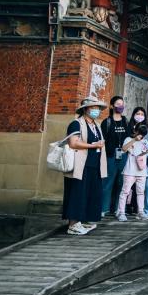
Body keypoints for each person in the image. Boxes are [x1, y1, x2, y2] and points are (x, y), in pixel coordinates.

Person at [63, 97, 108, 235]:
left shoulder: (97, 125)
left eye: (98, 108)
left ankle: (85, 220)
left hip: (95, 164)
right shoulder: (76, 124)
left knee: (92, 193)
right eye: (93, 107)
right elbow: (73, 143)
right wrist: (92, 145)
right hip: (81, 164)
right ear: (85, 109)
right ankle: (73, 224)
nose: (97, 110)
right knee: (78, 193)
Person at [117, 123, 148, 221]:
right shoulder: (129, 139)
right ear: (135, 131)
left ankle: (140, 212)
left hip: (141, 171)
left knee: (141, 192)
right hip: (130, 170)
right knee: (125, 192)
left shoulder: (145, 141)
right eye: (140, 132)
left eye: (143, 133)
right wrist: (134, 140)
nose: (141, 135)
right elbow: (123, 149)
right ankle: (121, 213)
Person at [100, 96, 128, 217]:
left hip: (124, 156)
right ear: (112, 106)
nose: (120, 106)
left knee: (122, 183)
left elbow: (129, 138)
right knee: (107, 183)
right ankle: (103, 208)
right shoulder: (107, 122)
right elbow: (102, 140)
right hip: (110, 156)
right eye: (118, 104)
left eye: (122, 104)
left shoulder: (126, 121)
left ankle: (119, 208)